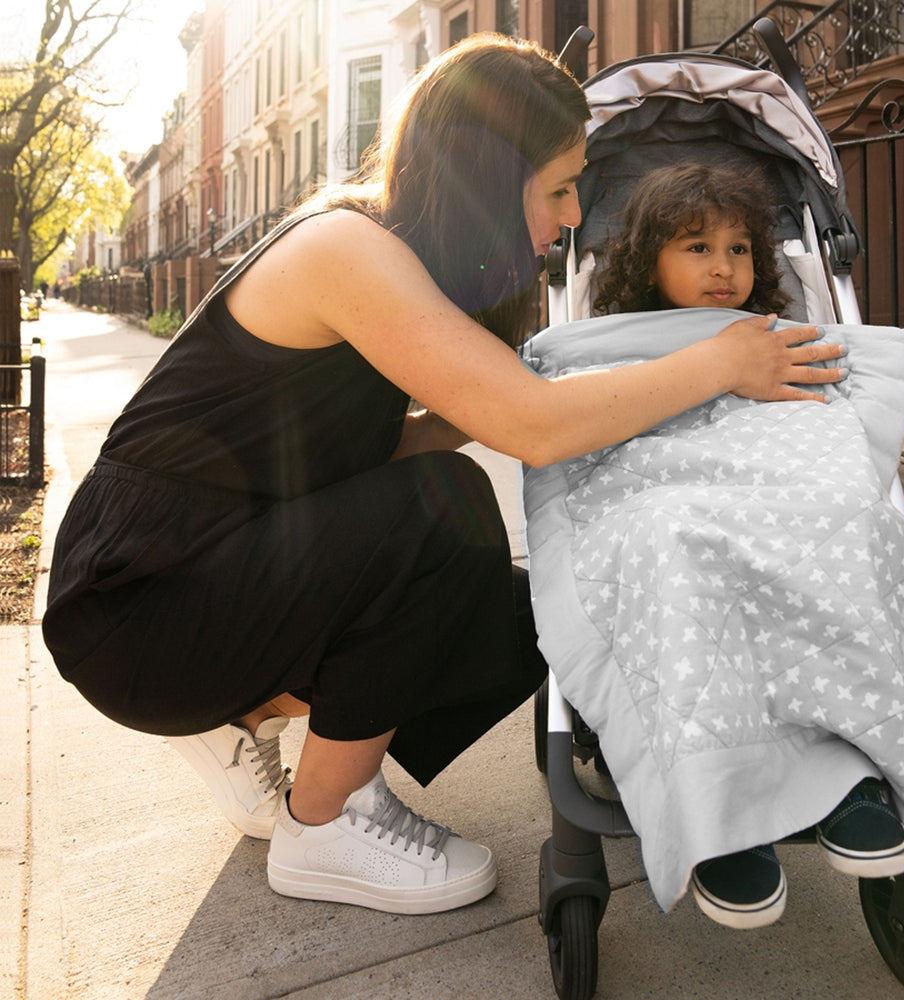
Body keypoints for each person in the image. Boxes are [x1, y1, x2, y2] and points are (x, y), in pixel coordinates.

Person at [41, 36, 845, 918]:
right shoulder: (348, 249)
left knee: (517, 623)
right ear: (488, 179)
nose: (575, 214)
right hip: (139, 600)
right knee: (442, 514)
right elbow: (534, 434)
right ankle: (326, 822)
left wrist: (508, 396)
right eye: (559, 187)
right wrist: (720, 365)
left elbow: (365, 453)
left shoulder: (406, 256)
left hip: (206, 561)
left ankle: (246, 713)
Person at [591, 162, 904, 929]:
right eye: (697, 247)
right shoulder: (614, 346)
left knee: (851, 518)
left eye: (740, 248)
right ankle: (723, 801)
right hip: (675, 497)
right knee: (675, 534)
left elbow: (827, 419)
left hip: (774, 496)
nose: (724, 266)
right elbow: (593, 432)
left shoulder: (779, 339)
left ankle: (847, 773)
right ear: (647, 260)